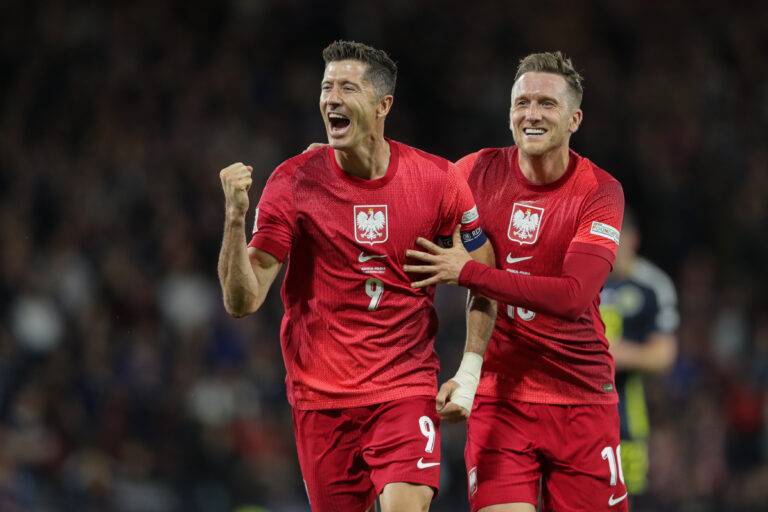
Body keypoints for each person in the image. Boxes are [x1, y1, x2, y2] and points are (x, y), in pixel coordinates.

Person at [217, 40, 496, 512]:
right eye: (326, 88)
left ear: (384, 104)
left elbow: (483, 264)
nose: (331, 99)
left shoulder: (438, 180)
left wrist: (469, 369)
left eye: (348, 87)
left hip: (404, 390)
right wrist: (233, 218)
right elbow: (242, 302)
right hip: (320, 400)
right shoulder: (292, 182)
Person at [404, 51, 628, 511]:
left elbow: (573, 296)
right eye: (521, 102)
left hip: (581, 397)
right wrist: (338, 163)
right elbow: (400, 184)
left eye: (546, 103)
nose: (531, 114)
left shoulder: (600, 192)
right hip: (501, 398)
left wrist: (467, 271)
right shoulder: (474, 173)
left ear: (574, 119)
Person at [599, 207, 679, 504]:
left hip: (628, 416)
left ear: (633, 239)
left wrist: (611, 353)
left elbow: (664, 356)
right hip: (578, 412)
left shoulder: (651, 286)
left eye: (614, 239)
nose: (608, 248)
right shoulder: (586, 278)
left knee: (629, 497)